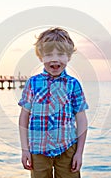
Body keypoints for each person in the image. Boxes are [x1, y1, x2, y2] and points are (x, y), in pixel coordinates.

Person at [18, 27, 89, 177]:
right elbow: (24, 117)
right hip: (38, 150)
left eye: (61, 54)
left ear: (68, 56)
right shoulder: (33, 83)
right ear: (40, 57)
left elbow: (81, 119)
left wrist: (79, 153)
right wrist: (25, 149)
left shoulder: (73, 84)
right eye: (49, 54)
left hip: (67, 149)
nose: (55, 59)